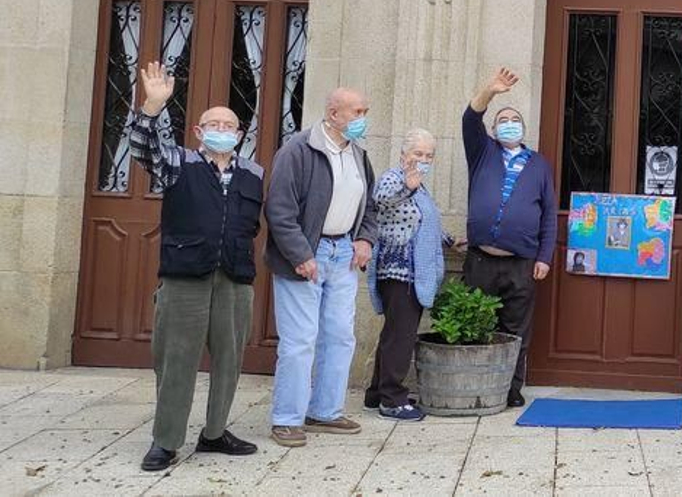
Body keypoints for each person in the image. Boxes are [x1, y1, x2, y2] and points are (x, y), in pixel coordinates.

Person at [129, 62, 263, 472]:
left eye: (230, 124)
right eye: (213, 123)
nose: (223, 128)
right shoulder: (179, 163)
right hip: (185, 276)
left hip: (234, 278)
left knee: (229, 360)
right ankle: (166, 441)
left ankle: (215, 432)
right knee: (176, 361)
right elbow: (142, 149)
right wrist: (152, 106)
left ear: (240, 136)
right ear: (199, 133)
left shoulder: (254, 173)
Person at [265, 86, 379, 448]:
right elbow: (279, 210)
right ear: (333, 114)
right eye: (357, 112)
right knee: (300, 340)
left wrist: (364, 239)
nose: (362, 119)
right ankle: (287, 418)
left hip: (342, 252)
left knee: (340, 336)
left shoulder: (358, 154)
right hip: (306, 255)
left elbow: (370, 206)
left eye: (365, 111)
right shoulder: (298, 151)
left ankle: (325, 411)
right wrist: (301, 254)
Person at [462, 67, 556, 409]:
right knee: (477, 323)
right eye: (503, 119)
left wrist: (544, 257)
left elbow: (548, 216)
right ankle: (474, 385)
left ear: (524, 129)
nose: (509, 123)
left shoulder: (539, 165)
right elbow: (470, 118)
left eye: (514, 119)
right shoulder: (482, 152)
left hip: (522, 262)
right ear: (494, 129)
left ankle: (511, 388)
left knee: (517, 329)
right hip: (482, 259)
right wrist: (490, 91)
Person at [363, 128, 446, 423]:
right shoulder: (394, 179)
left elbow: (424, 222)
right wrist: (407, 188)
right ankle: (393, 400)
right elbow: (381, 202)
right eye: (417, 154)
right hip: (399, 272)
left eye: (428, 155)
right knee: (401, 337)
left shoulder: (419, 187)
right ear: (403, 155)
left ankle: (377, 394)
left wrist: (449, 240)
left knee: (393, 334)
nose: (422, 160)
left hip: (412, 273)